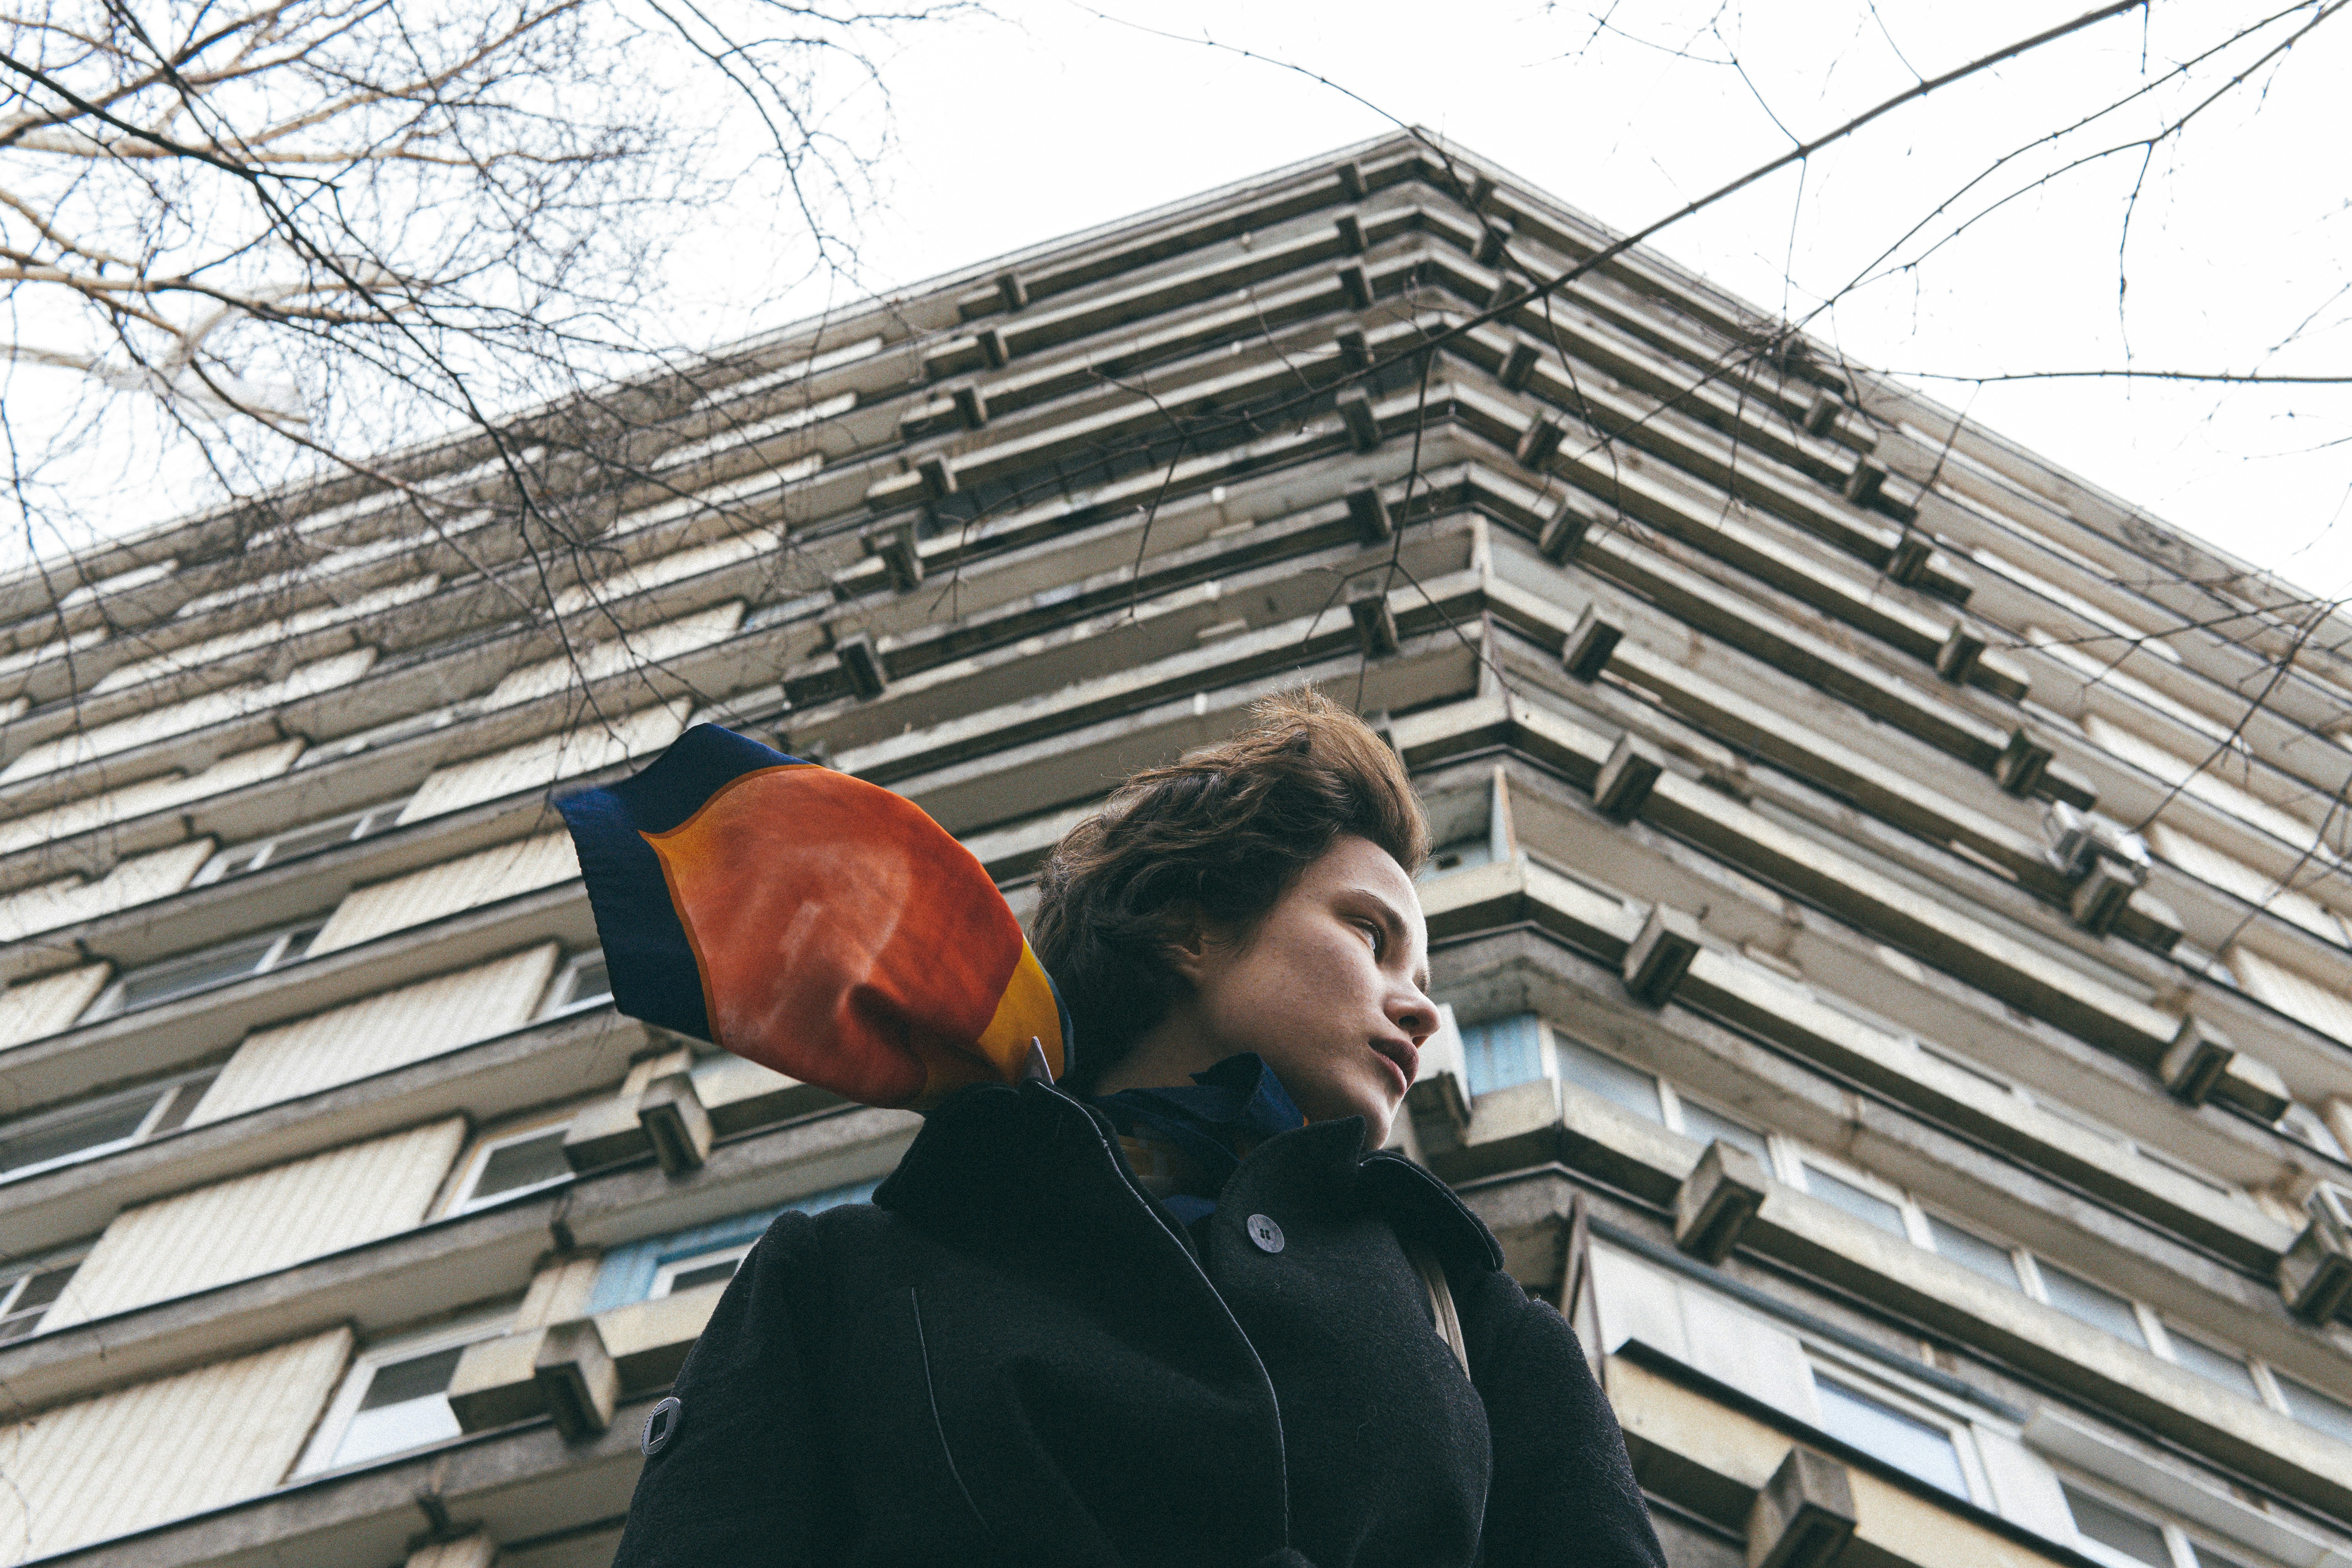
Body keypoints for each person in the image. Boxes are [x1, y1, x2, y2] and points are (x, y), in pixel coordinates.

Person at [603, 689, 1664, 1568]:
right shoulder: (846, 1278)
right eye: (1369, 935)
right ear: (1192, 926)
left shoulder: (1480, 1324)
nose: (1424, 1007)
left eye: (1421, 977)